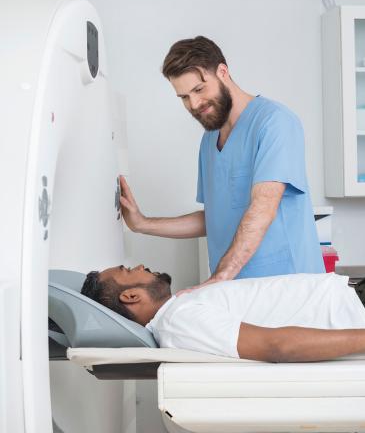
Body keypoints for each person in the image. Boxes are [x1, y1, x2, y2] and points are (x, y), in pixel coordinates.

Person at [120, 36, 324, 288]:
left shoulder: (275, 123)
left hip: (287, 287)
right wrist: (142, 224)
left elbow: (263, 207)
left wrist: (219, 277)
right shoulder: (209, 141)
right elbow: (215, 218)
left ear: (223, 72)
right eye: (183, 97)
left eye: (198, 89)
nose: (194, 104)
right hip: (235, 290)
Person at [81, 264, 365, 362]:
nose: (141, 265)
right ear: (131, 296)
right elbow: (277, 345)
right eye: (129, 270)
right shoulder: (178, 322)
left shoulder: (178, 310)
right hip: (355, 308)